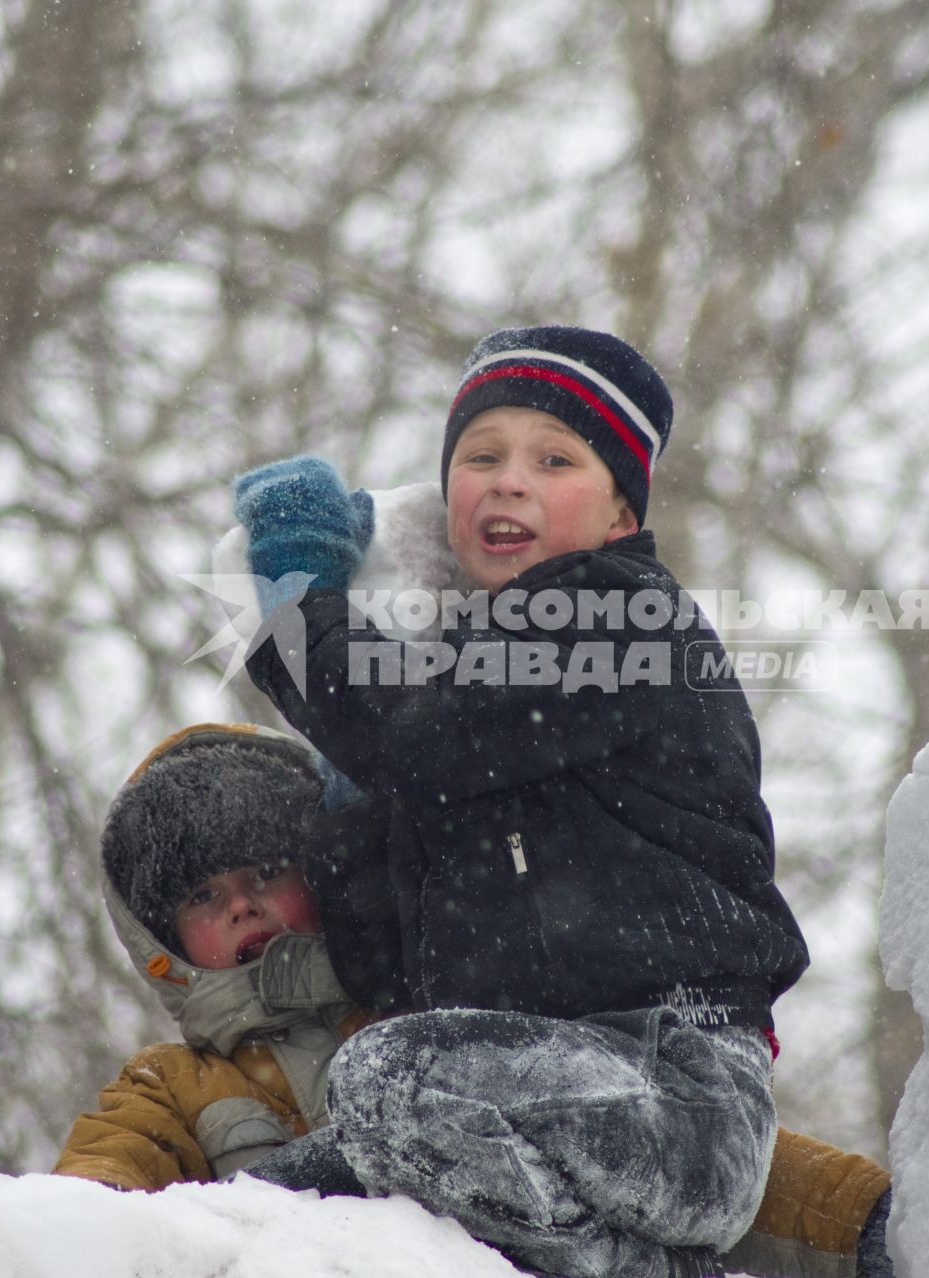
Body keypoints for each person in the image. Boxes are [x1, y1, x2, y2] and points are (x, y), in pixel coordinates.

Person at [229, 325, 811, 1277]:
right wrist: (352, 803)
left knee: (385, 1080)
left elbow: (410, 733)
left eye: (554, 459)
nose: (508, 480)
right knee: (268, 1209)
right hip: (532, 1097)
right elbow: (386, 965)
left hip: (676, 1085)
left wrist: (299, 585)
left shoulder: (621, 616)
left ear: (622, 516)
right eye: (481, 456)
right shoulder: (476, 710)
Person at [53, 723, 893, 1278]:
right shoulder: (170, 1087)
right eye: (204, 895)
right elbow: (82, 1215)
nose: (242, 905)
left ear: (325, 868)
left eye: (267, 873)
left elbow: (651, 1138)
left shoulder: (445, 1004)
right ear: (161, 941)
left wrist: (867, 1221)